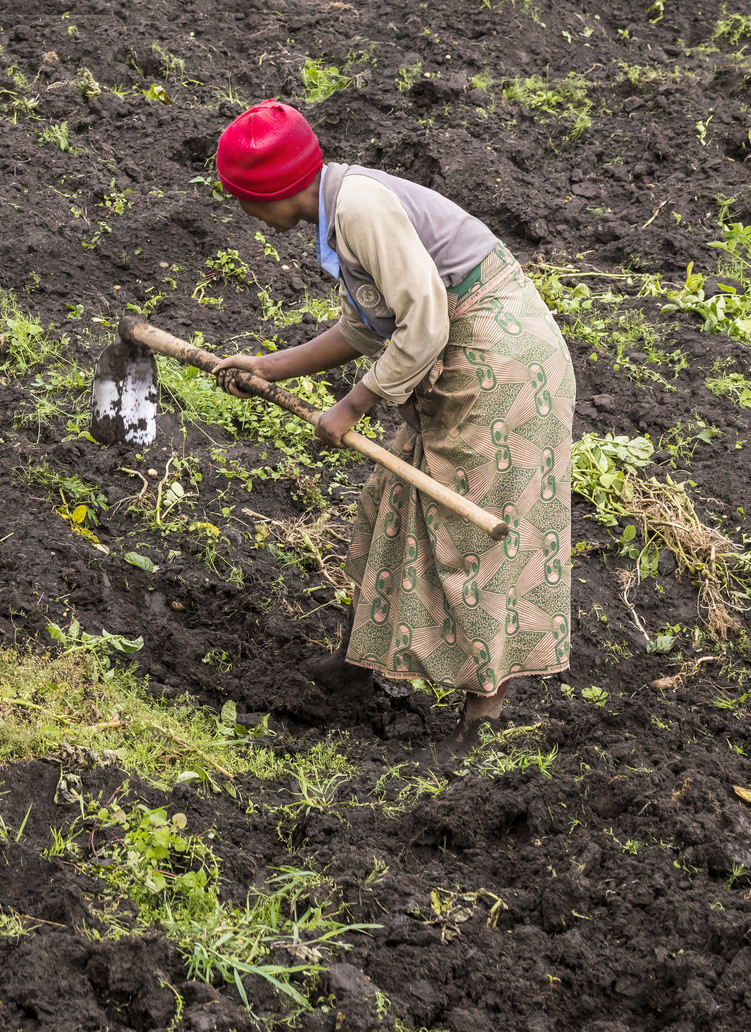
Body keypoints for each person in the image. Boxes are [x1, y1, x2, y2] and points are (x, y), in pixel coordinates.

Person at [210, 101, 574, 754]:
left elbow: (426, 320)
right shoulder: (341, 212)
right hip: (461, 362)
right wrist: (268, 367)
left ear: (268, 192)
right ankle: (362, 668)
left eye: (240, 198)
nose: (242, 214)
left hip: (499, 367)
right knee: (396, 508)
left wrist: (354, 404)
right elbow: (367, 324)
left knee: (474, 539)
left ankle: (482, 721)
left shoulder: (358, 208)